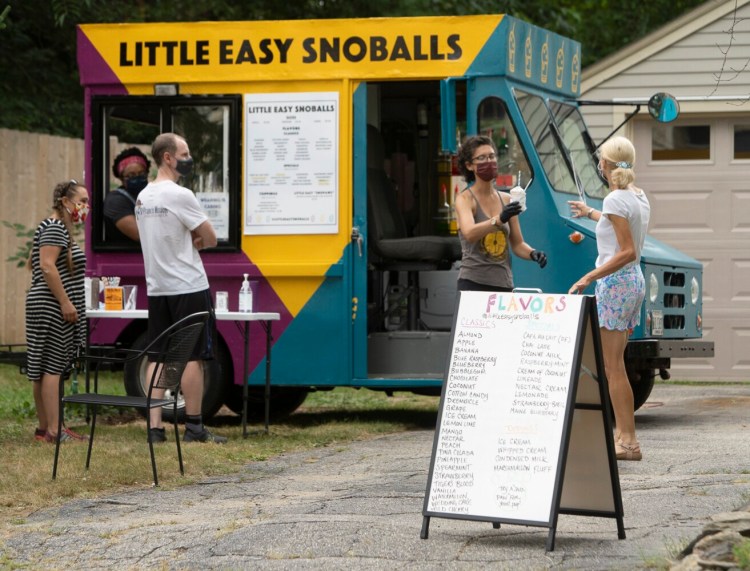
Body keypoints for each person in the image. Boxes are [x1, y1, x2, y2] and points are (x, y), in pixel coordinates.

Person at [135, 132, 226, 444]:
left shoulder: (143, 197)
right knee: (192, 357)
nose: (189, 159)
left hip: (158, 287)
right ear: (168, 158)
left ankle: (155, 429)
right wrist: (194, 239)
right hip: (187, 285)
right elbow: (211, 238)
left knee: (159, 356)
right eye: (184, 153)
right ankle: (195, 427)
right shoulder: (180, 195)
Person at [568, 135, 649, 461]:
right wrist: (590, 213)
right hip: (633, 283)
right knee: (615, 365)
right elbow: (619, 227)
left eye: (600, 158)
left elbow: (626, 251)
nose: (598, 162)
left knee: (612, 366)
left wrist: (590, 275)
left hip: (616, 283)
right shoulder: (636, 196)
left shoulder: (616, 198)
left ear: (606, 164)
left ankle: (628, 442)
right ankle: (624, 437)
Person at [26, 180, 90, 443]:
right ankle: (55, 430)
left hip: (43, 303)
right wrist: (65, 302)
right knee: (52, 366)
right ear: (65, 201)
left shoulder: (53, 227)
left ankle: (45, 429)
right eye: (82, 201)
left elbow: (38, 263)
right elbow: (47, 267)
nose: (85, 207)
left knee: (42, 367)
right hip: (51, 305)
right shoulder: (54, 227)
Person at [454, 135, 547, 292]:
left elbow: (517, 244)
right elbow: (469, 233)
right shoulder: (465, 199)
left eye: (491, 156)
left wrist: (533, 253)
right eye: (482, 158)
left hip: (503, 284)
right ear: (469, 165)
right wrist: (499, 219)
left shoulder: (507, 199)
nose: (489, 162)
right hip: (473, 283)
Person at [103, 147, 151, 242]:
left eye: (142, 174)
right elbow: (140, 235)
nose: (137, 178)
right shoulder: (115, 201)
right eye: (131, 175)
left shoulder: (148, 195)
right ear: (121, 178)